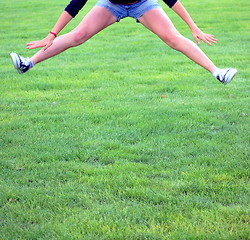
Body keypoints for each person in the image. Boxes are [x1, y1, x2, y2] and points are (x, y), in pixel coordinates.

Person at [10, 0, 237, 84]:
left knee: (172, 38)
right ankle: (27, 63)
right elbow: (75, 4)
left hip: (142, 3)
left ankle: (217, 72)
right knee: (78, 35)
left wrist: (193, 26)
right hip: (111, 4)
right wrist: (52, 33)